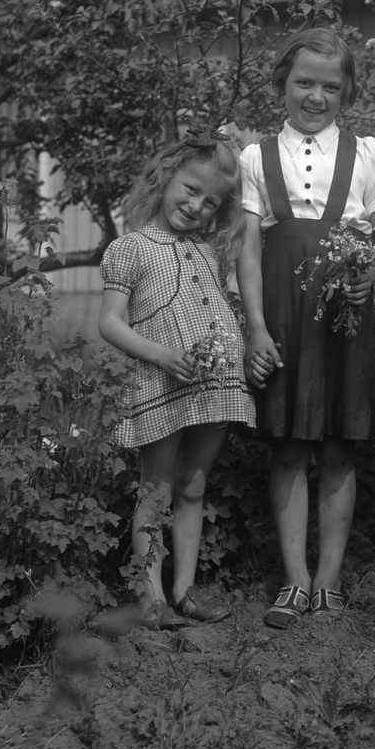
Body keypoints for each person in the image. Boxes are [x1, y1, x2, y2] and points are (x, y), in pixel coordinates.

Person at [237, 28, 375, 628]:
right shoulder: (256, 159)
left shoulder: (367, 154)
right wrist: (256, 328)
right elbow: (248, 250)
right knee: (287, 447)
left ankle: (329, 580)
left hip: (341, 316)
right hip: (282, 313)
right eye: (304, 82)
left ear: (347, 91)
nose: (316, 96)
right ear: (283, 83)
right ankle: (295, 581)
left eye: (330, 87)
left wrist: (369, 276)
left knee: (336, 446)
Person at [99, 128, 255, 629]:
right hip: (161, 382)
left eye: (211, 203)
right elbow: (109, 323)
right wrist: (162, 355)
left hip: (214, 383)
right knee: (157, 489)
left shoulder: (210, 250)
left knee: (193, 485)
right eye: (190, 190)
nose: (196, 207)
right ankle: (150, 600)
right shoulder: (131, 247)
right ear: (165, 179)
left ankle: (185, 593)